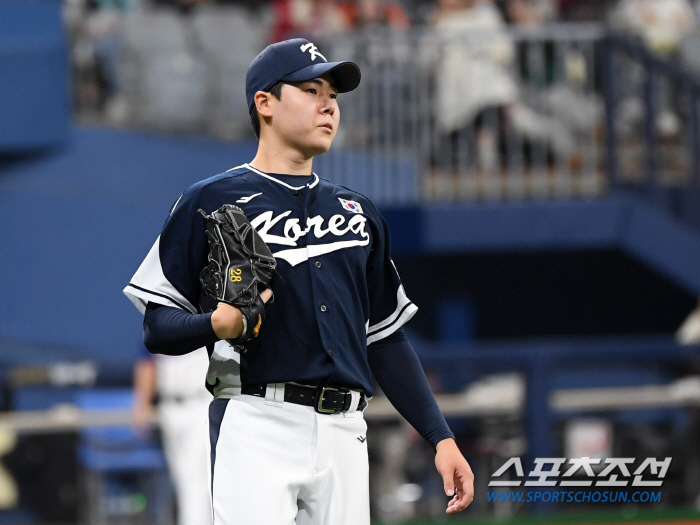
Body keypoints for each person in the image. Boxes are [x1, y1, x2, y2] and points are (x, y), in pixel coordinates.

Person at [124, 38, 474, 524]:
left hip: (345, 428)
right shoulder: (210, 201)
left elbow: (386, 340)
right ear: (264, 103)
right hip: (255, 421)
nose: (328, 104)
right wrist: (215, 324)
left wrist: (441, 437)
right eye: (311, 89)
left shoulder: (357, 212)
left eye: (333, 93)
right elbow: (157, 327)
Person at [132, 346, 212, 525]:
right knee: (182, 477)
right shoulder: (160, 320)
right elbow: (147, 361)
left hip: (202, 403)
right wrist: (142, 405)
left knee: (196, 477)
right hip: (170, 407)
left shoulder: (209, 318)